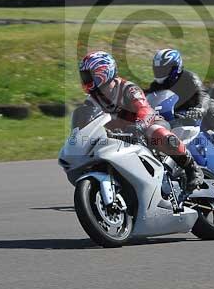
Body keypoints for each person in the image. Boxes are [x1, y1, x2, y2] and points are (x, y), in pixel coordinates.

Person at [79, 51, 204, 189]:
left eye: (88, 75)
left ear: (103, 72)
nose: (85, 79)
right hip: (120, 135)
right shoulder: (92, 100)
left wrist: (139, 126)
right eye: (84, 76)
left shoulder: (128, 88)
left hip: (148, 123)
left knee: (156, 132)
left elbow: (144, 110)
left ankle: (192, 168)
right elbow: (87, 123)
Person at [147, 48, 214, 163]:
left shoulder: (189, 77)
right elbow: (149, 104)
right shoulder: (156, 86)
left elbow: (203, 95)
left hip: (198, 107)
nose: (161, 73)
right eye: (158, 69)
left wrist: (200, 108)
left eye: (164, 69)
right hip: (179, 115)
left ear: (176, 67)